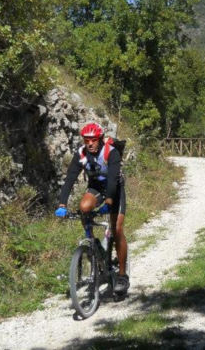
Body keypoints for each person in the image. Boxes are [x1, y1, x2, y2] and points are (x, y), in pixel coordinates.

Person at [55, 122, 129, 295]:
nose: (90, 144)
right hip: (96, 188)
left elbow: (112, 181)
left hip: (115, 190)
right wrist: (62, 204)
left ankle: (122, 275)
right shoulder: (81, 154)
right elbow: (70, 179)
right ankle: (92, 245)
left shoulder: (111, 152)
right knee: (84, 207)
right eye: (86, 140)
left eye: (93, 140)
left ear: (100, 139)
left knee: (117, 228)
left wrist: (109, 203)